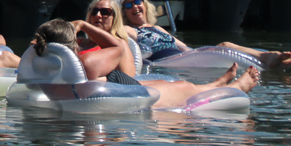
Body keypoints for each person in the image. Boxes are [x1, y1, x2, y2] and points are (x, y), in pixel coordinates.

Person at [32, 18, 260, 110]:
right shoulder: (87, 62)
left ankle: (220, 81)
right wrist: (84, 24)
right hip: (126, 89)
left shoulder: (40, 63)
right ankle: (232, 86)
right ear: (72, 43)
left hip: (111, 88)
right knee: (184, 87)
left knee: (166, 82)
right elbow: (119, 48)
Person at [118, 0, 291, 68]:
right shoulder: (131, 30)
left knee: (223, 46)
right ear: (124, 13)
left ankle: (270, 64)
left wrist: (203, 53)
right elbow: (116, 31)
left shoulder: (158, 28)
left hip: (183, 57)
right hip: (168, 63)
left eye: (137, 2)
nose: (134, 7)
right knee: (225, 44)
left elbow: (185, 48)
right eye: (128, 5)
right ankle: (265, 57)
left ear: (144, 4)